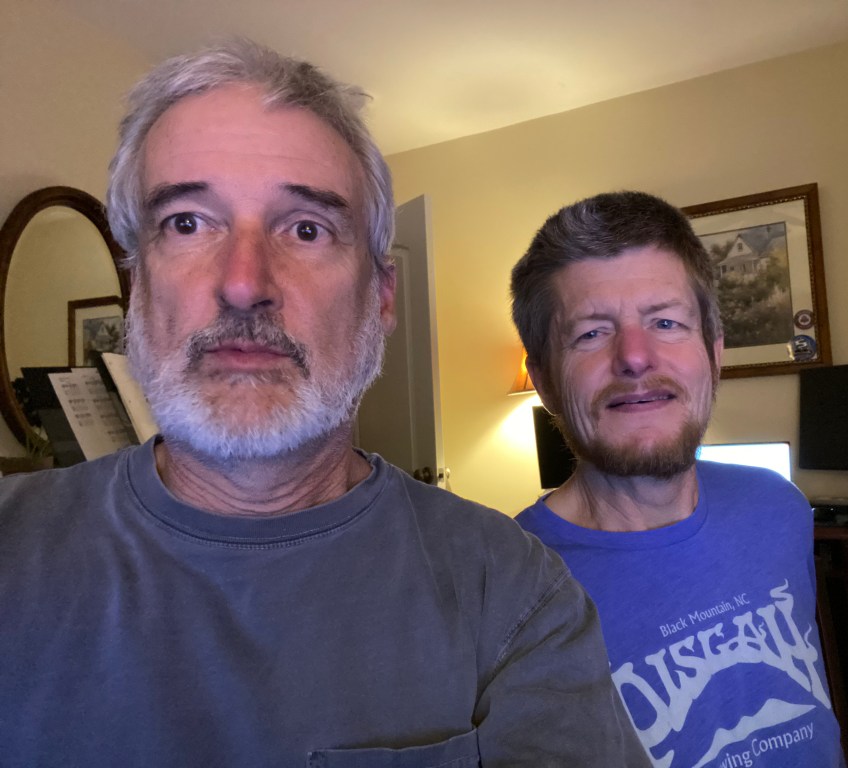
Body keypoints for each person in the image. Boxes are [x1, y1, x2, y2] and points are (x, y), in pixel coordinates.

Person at [0, 41, 648, 767]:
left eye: (306, 229)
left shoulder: (514, 591)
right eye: (187, 222)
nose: (243, 284)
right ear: (137, 283)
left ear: (382, 296)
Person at [511, 191, 845, 767]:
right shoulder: (508, 588)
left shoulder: (779, 508)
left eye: (665, 322)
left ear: (714, 353)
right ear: (543, 380)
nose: (635, 357)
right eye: (590, 333)